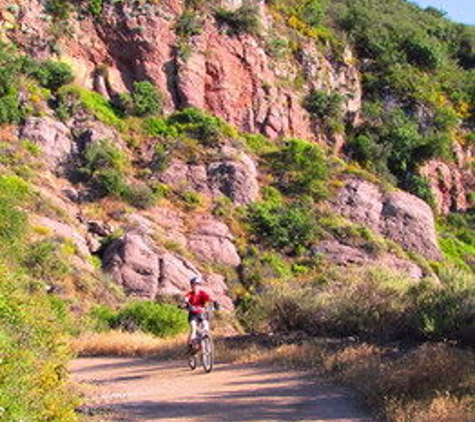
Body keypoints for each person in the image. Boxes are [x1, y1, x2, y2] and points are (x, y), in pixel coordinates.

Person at [184, 276, 211, 353]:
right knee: (193, 329)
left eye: (198, 284)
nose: (196, 286)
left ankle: (204, 341)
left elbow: (207, 299)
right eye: (194, 285)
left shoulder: (202, 293)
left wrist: (207, 305)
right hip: (193, 315)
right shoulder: (190, 294)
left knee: (206, 327)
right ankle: (190, 346)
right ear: (191, 286)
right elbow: (186, 299)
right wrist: (186, 304)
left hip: (202, 314)